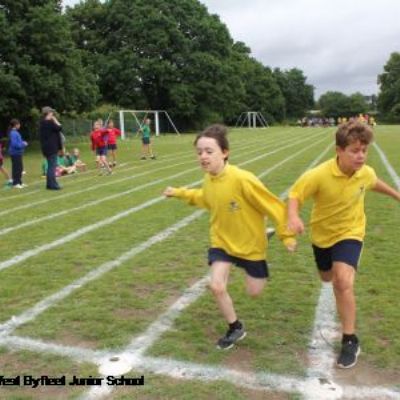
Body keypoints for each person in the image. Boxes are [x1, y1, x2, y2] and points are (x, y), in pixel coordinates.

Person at [164, 124, 296, 349]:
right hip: (222, 241)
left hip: (250, 245)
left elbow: (273, 206)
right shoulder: (209, 180)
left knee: (254, 292)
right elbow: (204, 198)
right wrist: (179, 193)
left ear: (225, 153)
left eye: (209, 151)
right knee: (216, 286)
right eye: (199, 152)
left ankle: (265, 236)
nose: (203, 157)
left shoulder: (243, 179)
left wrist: (287, 236)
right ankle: (235, 327)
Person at [287, 121, 400, 369]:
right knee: (327, 277)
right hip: (322, 237)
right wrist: (294, 216)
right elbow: (295, 194)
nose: (361, 156)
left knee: (342, 281)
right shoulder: (318, 174)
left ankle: (350, 339)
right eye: (354, 150)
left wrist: (396, 194)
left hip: (351, 232)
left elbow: (374, 182)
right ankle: (333, 275)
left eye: (364, 150)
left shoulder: (365, 172)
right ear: (339, 150)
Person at [39, 106, 63, 190]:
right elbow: (60, 127)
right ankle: (53, 185)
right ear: (49, 113)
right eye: (52, 112)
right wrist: (55, 120)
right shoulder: (50, 122)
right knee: (52, 166)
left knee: (50, 166)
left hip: (45, 147)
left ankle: (49, 184)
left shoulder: (42, 122)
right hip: (52, 147)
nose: (53, 114)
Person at [8, 119, 28, 189]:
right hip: (15, 153)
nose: (19, 125)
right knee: (16, 168)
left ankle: (19, 182)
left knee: (19, 168)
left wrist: (22, 142)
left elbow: (18, 141)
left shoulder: (15, 132)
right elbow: (14, 144)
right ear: (15, 125)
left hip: (18, 153)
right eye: (18, 124)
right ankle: (15, 183)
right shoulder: (13, 133)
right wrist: (23, 144)